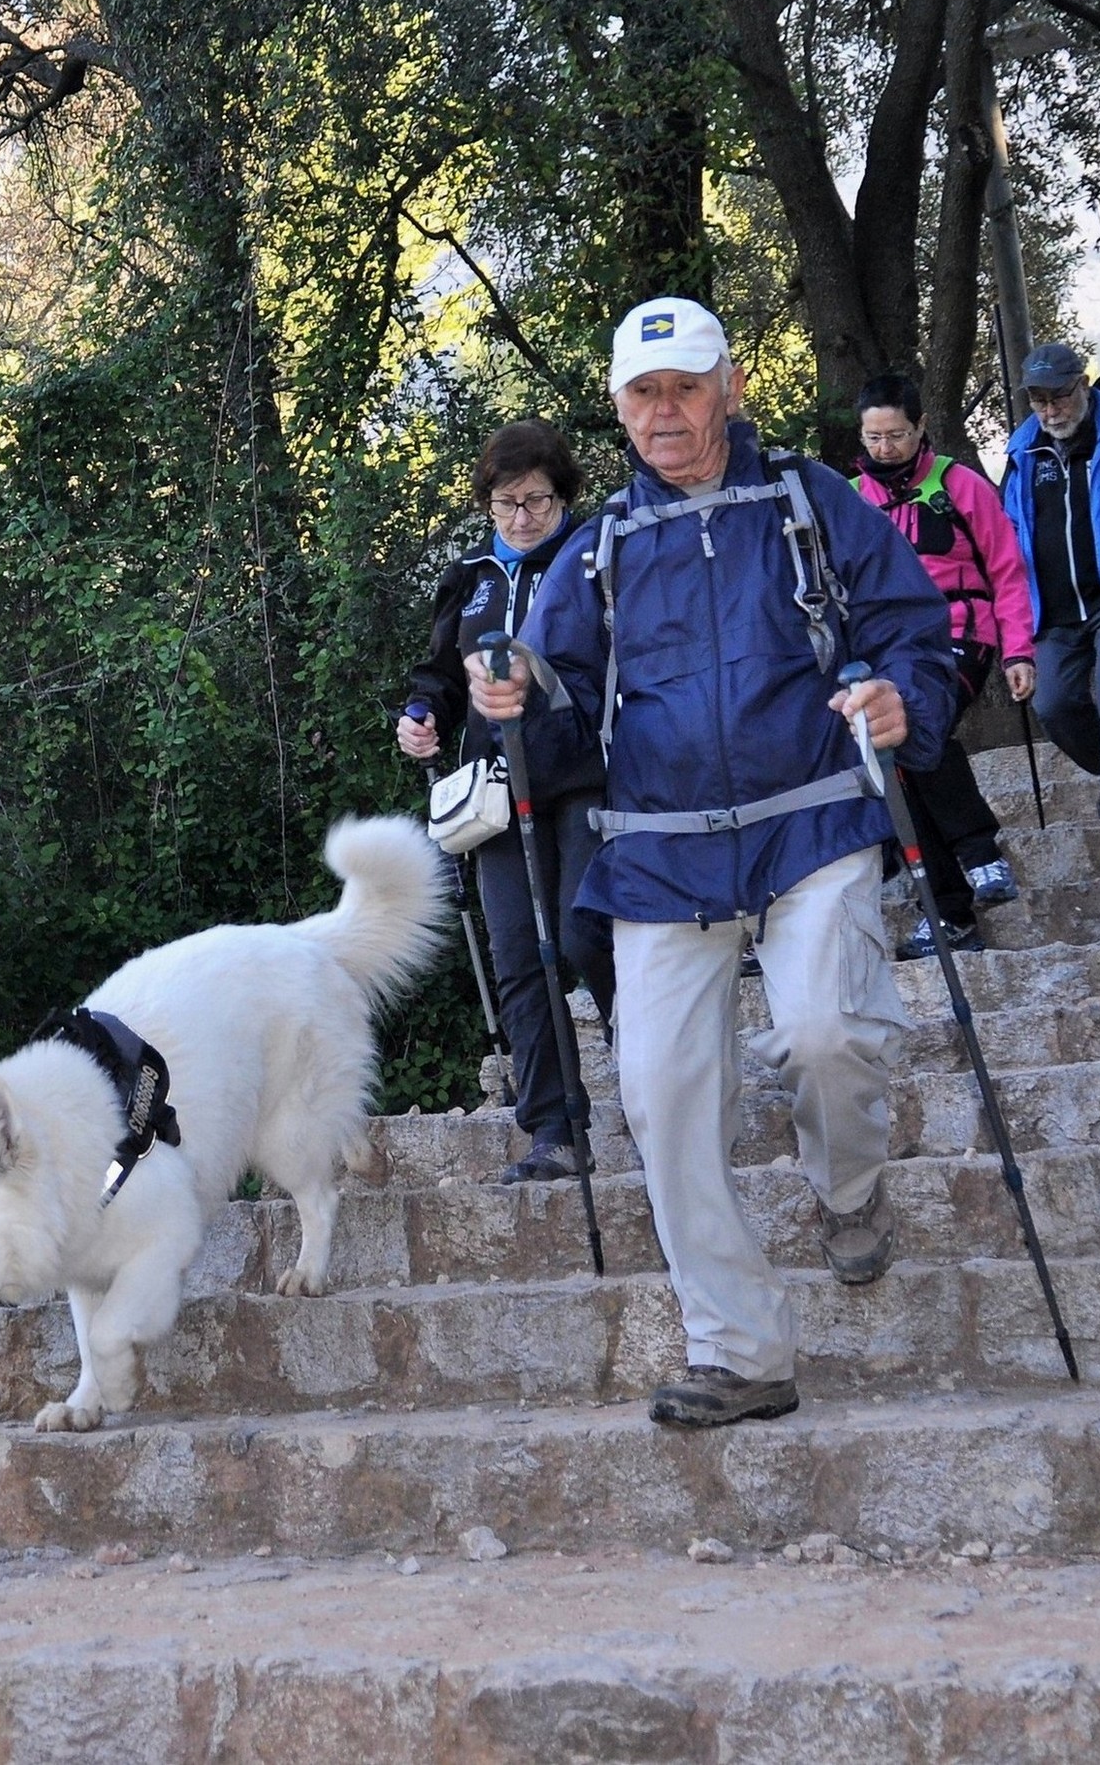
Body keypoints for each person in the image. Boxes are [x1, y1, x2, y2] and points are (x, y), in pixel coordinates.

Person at [469, 297, 957, 1430]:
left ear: (730, 387)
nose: (666, 412)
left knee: (826, 1034)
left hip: (813, 821)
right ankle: (740, 1349)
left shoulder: (808, 498)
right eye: (644, 393)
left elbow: (912, 625)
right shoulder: (597, 547)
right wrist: (515, 694)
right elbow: (557, 701)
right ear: (617, 408)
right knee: (660, 1094)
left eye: (686, 387)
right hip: (658, 853)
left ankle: (848, 1186)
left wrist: (901, 696)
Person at [399, 419, 605, 1184]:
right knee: (519, 953)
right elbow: (440, 675)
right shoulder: (470, 575)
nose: (521, 517)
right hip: (494, 789)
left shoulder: (594, 556)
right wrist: (421, 715)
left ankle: (658, 1079)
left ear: (563, 496)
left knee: (588, 933)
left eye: (537, 501)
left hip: (586, 776)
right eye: (506, 503)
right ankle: (555, 1128)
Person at [852, 370, 1035, 953]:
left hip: (961, 632)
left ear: (921, 426)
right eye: (874, 438)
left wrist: (1018, 649)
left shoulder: (960, 484)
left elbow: (1007, 570)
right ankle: (947, 910)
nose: (885, 449)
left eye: (896, 435)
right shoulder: (851, 500)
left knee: (917, 721)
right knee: (895, 756)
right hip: (885, 648)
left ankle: (979, 852)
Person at [1001, 342, 1100, 824]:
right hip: (1053, 607)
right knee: (1053, 706)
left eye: (1059, 397)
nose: (1050, 410)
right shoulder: (1022, 450)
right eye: (1039, 401)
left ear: (1083, 385)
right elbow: (1010, 527)